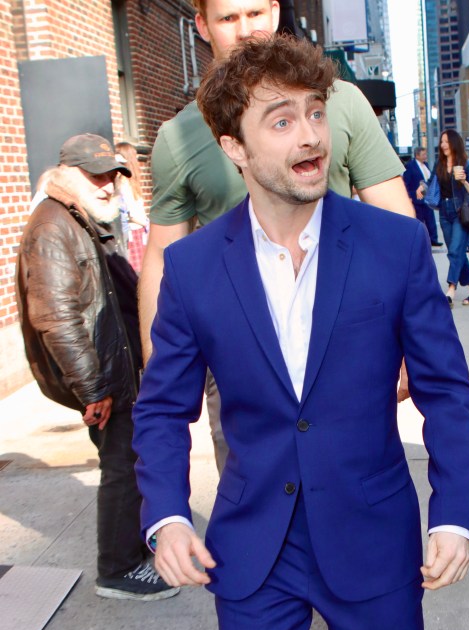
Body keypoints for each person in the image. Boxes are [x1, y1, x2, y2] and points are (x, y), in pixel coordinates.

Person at [132, 35, 469, 630]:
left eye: (315, 114)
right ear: (232, 147)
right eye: (279, 120)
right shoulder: (199, 270)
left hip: (367, 528)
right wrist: (166, 512)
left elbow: (447, 389)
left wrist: (454, 510)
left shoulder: (394, 247)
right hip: (255, 543)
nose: (309, 137)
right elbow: (163, 404)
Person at [138, 0, 415, 468]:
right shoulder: (179, 137)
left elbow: (395, 222)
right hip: (235, 356)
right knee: (252, 499)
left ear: (275, 10)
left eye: (255, 14)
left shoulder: (338, 102)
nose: (247, 31)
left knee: (349, 487)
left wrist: (407, 338)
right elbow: (163, 255)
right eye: (229, 19)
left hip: (341, 338)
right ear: (202, 25)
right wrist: (157, 367)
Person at [15, 134, 178, 602]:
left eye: (112, 174)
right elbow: (57, 318)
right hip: (102, 380)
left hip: (113, 372)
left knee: (126, 461)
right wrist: (93, 390)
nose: (107, 184)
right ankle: (118, 568)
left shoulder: (80, 219)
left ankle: (128, 553)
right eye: (95, 175)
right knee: (121, 467)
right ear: (66, 174)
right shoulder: (52, 225)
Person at [435, 129, 469, 307]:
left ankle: (451, 290)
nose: (443, 145)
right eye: (442, 141)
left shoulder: (466, 164)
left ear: (454, 143)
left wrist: (463, 181)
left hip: (460, 212)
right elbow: (431, 182)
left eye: (446, 141)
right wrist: (422, 188)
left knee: (454, 251)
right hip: (444, 213)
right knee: (457, 252)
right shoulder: (439, 164)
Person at [115, 141, 149, 274]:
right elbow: (132, 214)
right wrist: (147, 223)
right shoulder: (123, 184)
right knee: (136, 274)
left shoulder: (128, 183)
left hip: (138, 232)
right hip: (133, 233)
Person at [402, 146, 442, 247]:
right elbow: (406, 183)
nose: (425, 156)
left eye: (425, 154)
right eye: (423, 154)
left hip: (427, 198)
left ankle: (433, 239)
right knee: (420, 220)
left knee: (431, 220)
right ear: (417, 155)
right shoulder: (410, 166)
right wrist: (410, 196)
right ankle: (420, 241)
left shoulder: (426, 165)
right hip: (417, 198)